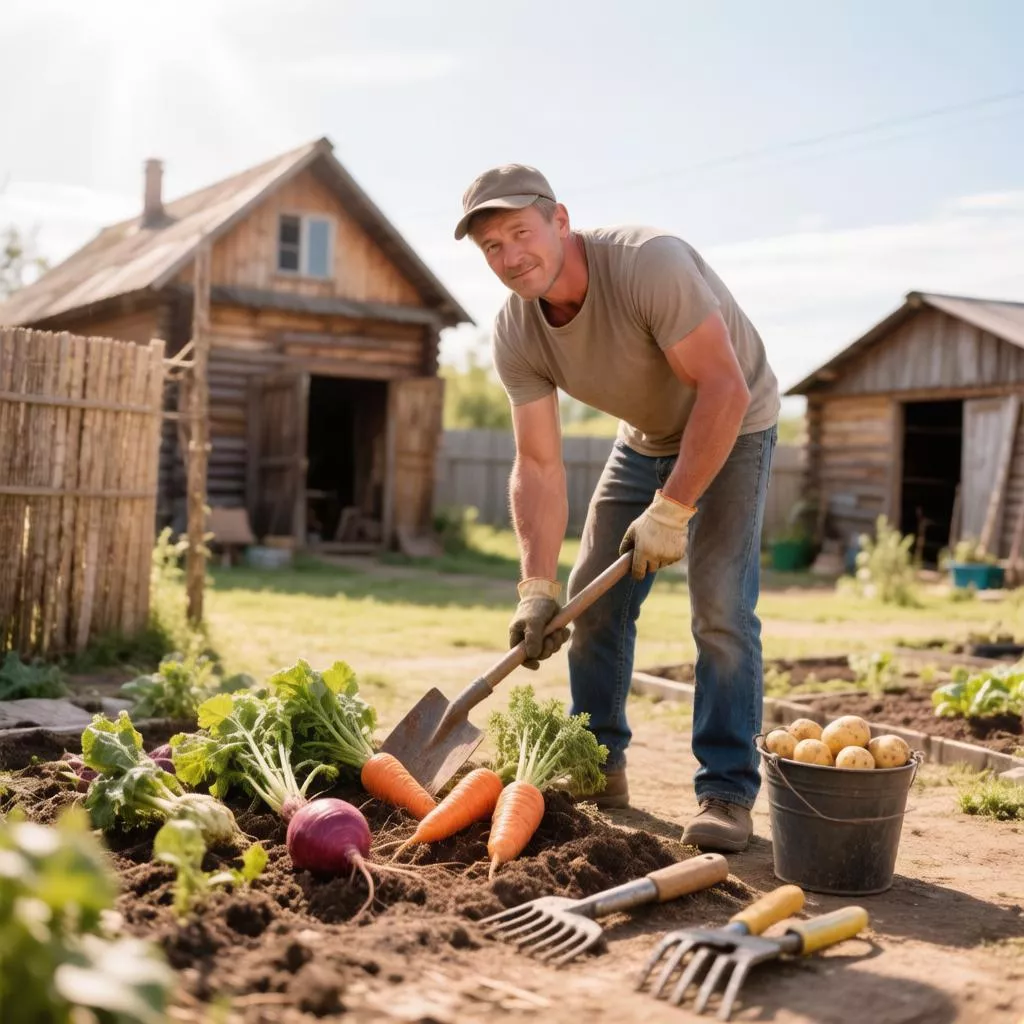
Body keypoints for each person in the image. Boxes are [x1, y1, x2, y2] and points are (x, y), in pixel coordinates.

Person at [453, 164, 780, 853]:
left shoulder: (646, 264)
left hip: (735, 420)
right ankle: (599, 764)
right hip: (646, 437)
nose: (510, 257)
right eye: (492, 248)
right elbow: (537, 464)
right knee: (590, 601)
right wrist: (534, 587)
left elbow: (722, 388)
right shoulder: (518, 331)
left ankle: (725, 789)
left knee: (719, 606)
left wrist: (674, 508)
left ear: (561, 221)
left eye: (520, 233)